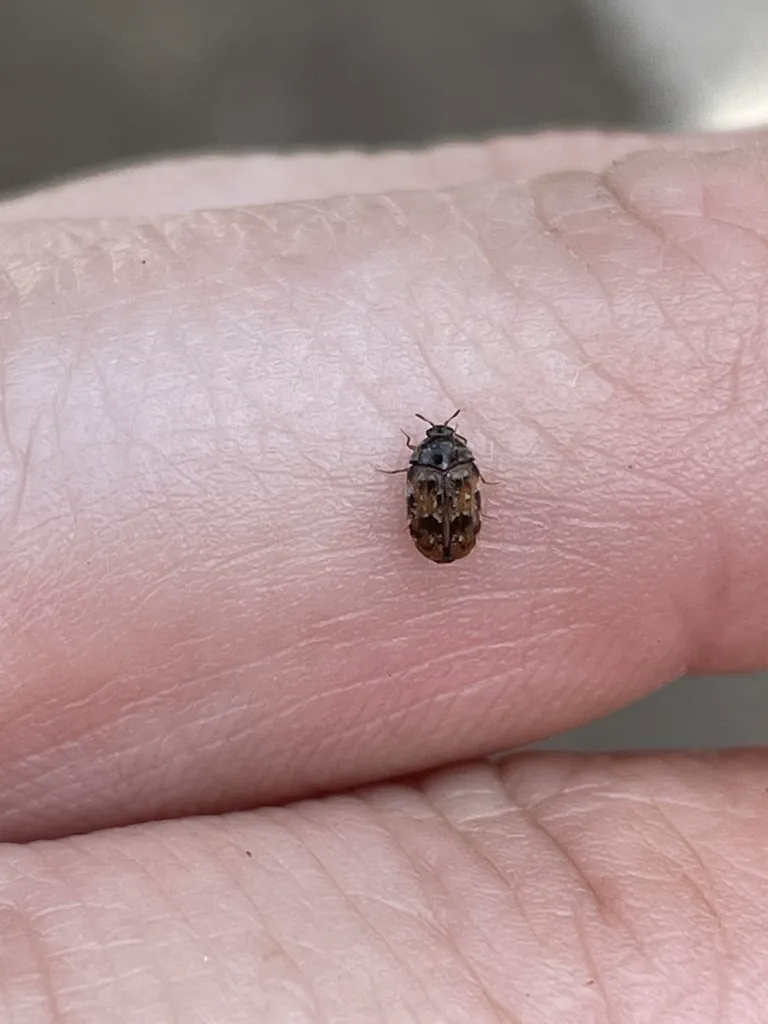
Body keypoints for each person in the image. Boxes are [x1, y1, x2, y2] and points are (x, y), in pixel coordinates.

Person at [0, 130, 763, 1020]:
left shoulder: (433, 474)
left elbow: (436, 506)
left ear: (434, 460)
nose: (440, 464)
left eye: (439, 456)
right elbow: (448, 509)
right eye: (441, 457)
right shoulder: (454, 473)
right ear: (450, 461)